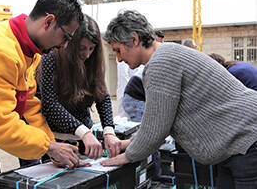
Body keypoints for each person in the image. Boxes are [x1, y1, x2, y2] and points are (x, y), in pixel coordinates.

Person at [101, 10, 257, 189]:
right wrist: (126, 144)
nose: (119, 59)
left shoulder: (161, 64)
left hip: (248, 143)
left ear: (134, 39)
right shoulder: (168, 54)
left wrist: (126, 157)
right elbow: (158, 122)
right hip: (240, 146)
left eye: (118, 51)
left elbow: (155, 131)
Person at [0, 0, 84, 188]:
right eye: (65, 37)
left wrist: (54, 147)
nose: (64, 46)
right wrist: (49, 147)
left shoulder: (27, 51)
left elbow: (30, 105)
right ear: (48, 22)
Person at [38, 14, 121, 160]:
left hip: (83, 138)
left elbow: (102, 96)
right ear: (70, 43)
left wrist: (109, 131)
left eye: (91, 48)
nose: (87, 54)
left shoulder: (92, 62)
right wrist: (84, 132)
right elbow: (50, 105)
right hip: (56, 140)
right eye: (82, 48)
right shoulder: (51, 57)